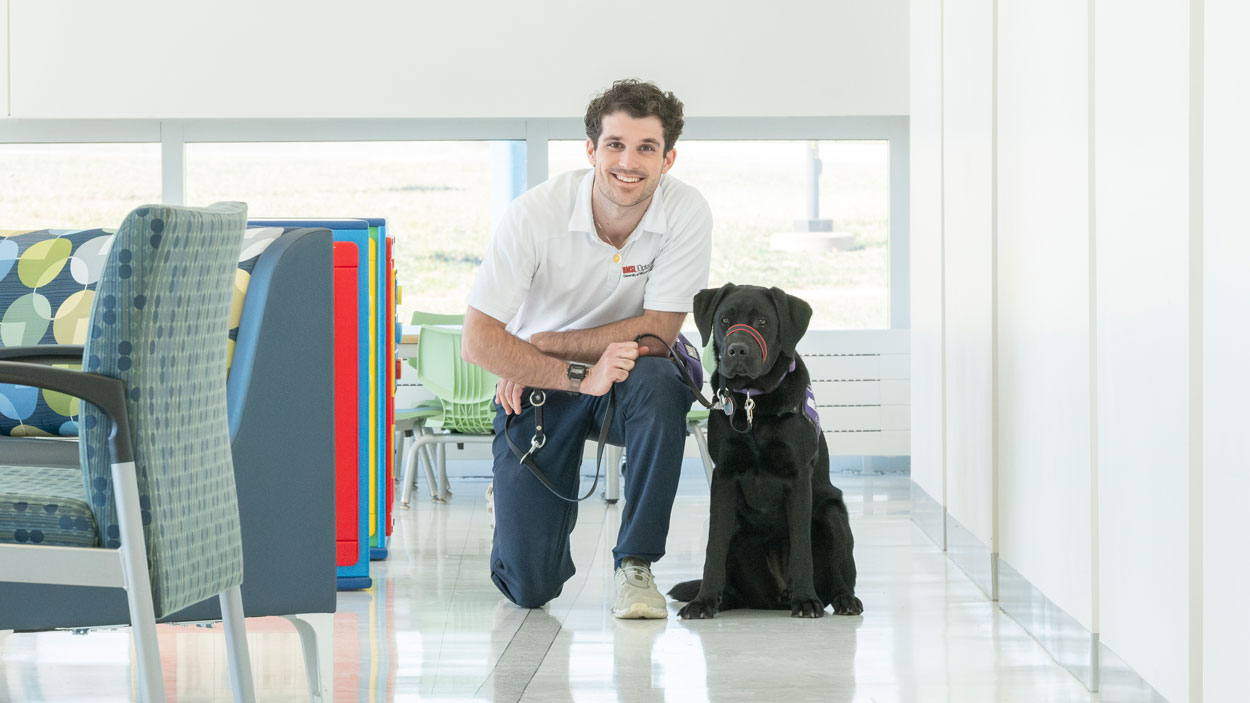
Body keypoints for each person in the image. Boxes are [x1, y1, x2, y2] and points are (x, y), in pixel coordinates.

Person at [461, 78, 713, 619]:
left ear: (668, 159)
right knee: (529, 588)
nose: (629, 161)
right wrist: (567, 369)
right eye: (615, 145)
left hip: (628, 373)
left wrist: (547, 341)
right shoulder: (535, 215)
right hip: (540, 384)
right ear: (591, 150)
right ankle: (510, 514)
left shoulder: (686, 211)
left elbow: (659, 331)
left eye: (646, 148)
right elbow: (479, 340)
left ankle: (636, 564)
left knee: (661, 381)